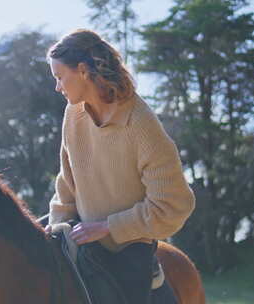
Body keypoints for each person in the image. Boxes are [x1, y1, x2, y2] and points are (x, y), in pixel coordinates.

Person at [45, 29, 195, 304]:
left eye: (59, 77)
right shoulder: (73, 114)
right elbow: (67, 186)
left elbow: (174, 205)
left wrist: (108, 227)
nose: (57, 87)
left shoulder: (141, 123)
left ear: (82, 71)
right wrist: (55, 229)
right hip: (80, 236)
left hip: (128, 248)